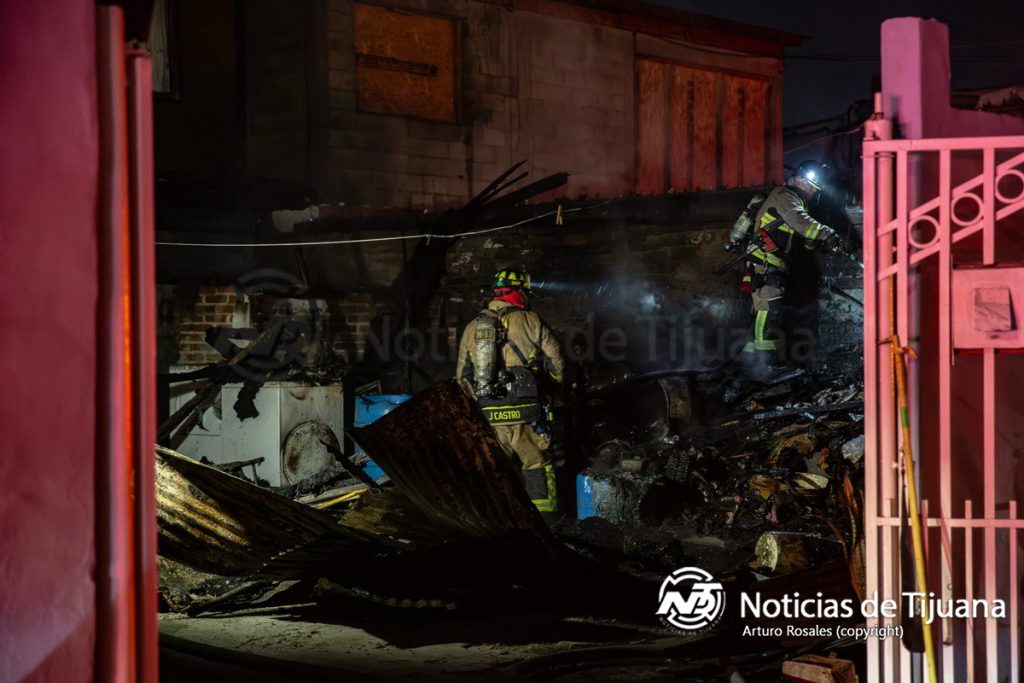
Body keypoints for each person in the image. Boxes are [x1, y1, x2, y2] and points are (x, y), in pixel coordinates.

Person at [455, 268, 565, 516]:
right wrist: (551, 389)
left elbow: (463, 378)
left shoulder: (472, 328)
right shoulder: (532, 320)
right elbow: (556, 364)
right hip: (527, 414)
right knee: (537, 466)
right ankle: (546, 524)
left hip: (489, 416)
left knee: (493, 472)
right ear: (517, 293)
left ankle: (499, 526)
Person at [726, 160, 845, 376]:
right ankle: (765, 365)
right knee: (771, 309)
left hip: (772, 264)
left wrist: (817, 242)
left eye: (815, 189)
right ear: (798, 179)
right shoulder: (784, 195)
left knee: (764, 312)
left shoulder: (795, 201)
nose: (812, 191)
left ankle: (746, 366)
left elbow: (804, 237)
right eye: (809, 185)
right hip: (763, 263)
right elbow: (800, 222)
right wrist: (827, 233)